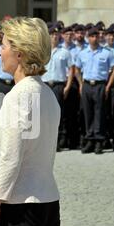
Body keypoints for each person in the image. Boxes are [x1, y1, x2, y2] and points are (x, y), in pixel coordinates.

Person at [0, 16, 61, 226]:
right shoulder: (47, 93)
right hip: (48, 202)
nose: (0, 52)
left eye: (4, 45)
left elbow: (11, 156)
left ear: (19, 54)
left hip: (20, 206)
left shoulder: (18, 97)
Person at [75, 28, 114, 154]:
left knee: (99, 113)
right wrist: (81, 84)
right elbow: (76, 69)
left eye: (96, 36)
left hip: (100, 85)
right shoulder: (82, 53)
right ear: (88, 38)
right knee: (87, 112)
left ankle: (99, 140)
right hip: (87, 84)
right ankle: (90, 139)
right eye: (92, 36)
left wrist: (108, 86)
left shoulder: (107, 53)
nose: (94, 38)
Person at [42, 24, 74, 152]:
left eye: (56, 35)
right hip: (45, 85)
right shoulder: (43, 52)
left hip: (58, 85)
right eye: (52, 35)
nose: (54, 37)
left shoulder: (65, 52)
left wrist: (67, 86)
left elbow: (71, 69)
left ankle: (57, 142)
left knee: (56, 114)